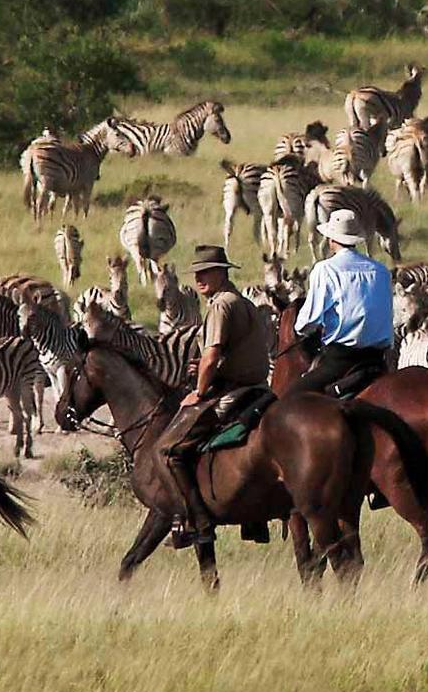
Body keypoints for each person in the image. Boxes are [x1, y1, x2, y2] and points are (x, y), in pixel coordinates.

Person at [143, 242, 272, 549]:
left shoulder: (220, 305)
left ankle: (194, 522)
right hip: (260, 390)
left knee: (167, 451)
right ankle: (256, 518)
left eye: (207, 272)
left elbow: (212, 357)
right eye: (197, 273)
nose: (199, 278)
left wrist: (198, 392)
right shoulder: (244, 302)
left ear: (221, 273)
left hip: (231, 393)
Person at [294, 209, 396, 398]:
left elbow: (307, 322)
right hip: (378, 361)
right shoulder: (381, 271)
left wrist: (302, 330)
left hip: (341, 360)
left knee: (291, 399)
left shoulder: (325, 270)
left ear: (331, 240)